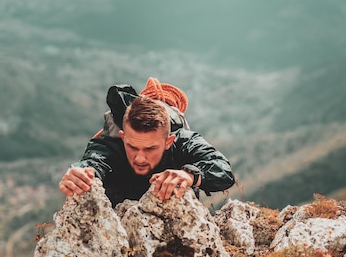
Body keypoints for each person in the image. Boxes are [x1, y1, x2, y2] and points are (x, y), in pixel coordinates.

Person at [59, 80, 235, 206]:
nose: (140, 158)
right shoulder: (110, 145)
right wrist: (79, 173)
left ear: (169, 141)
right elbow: (93, 161)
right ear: (123, 136)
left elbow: (223, 170)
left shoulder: (184, 142)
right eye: (132, 147)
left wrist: (190, 175)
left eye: (150, 148)